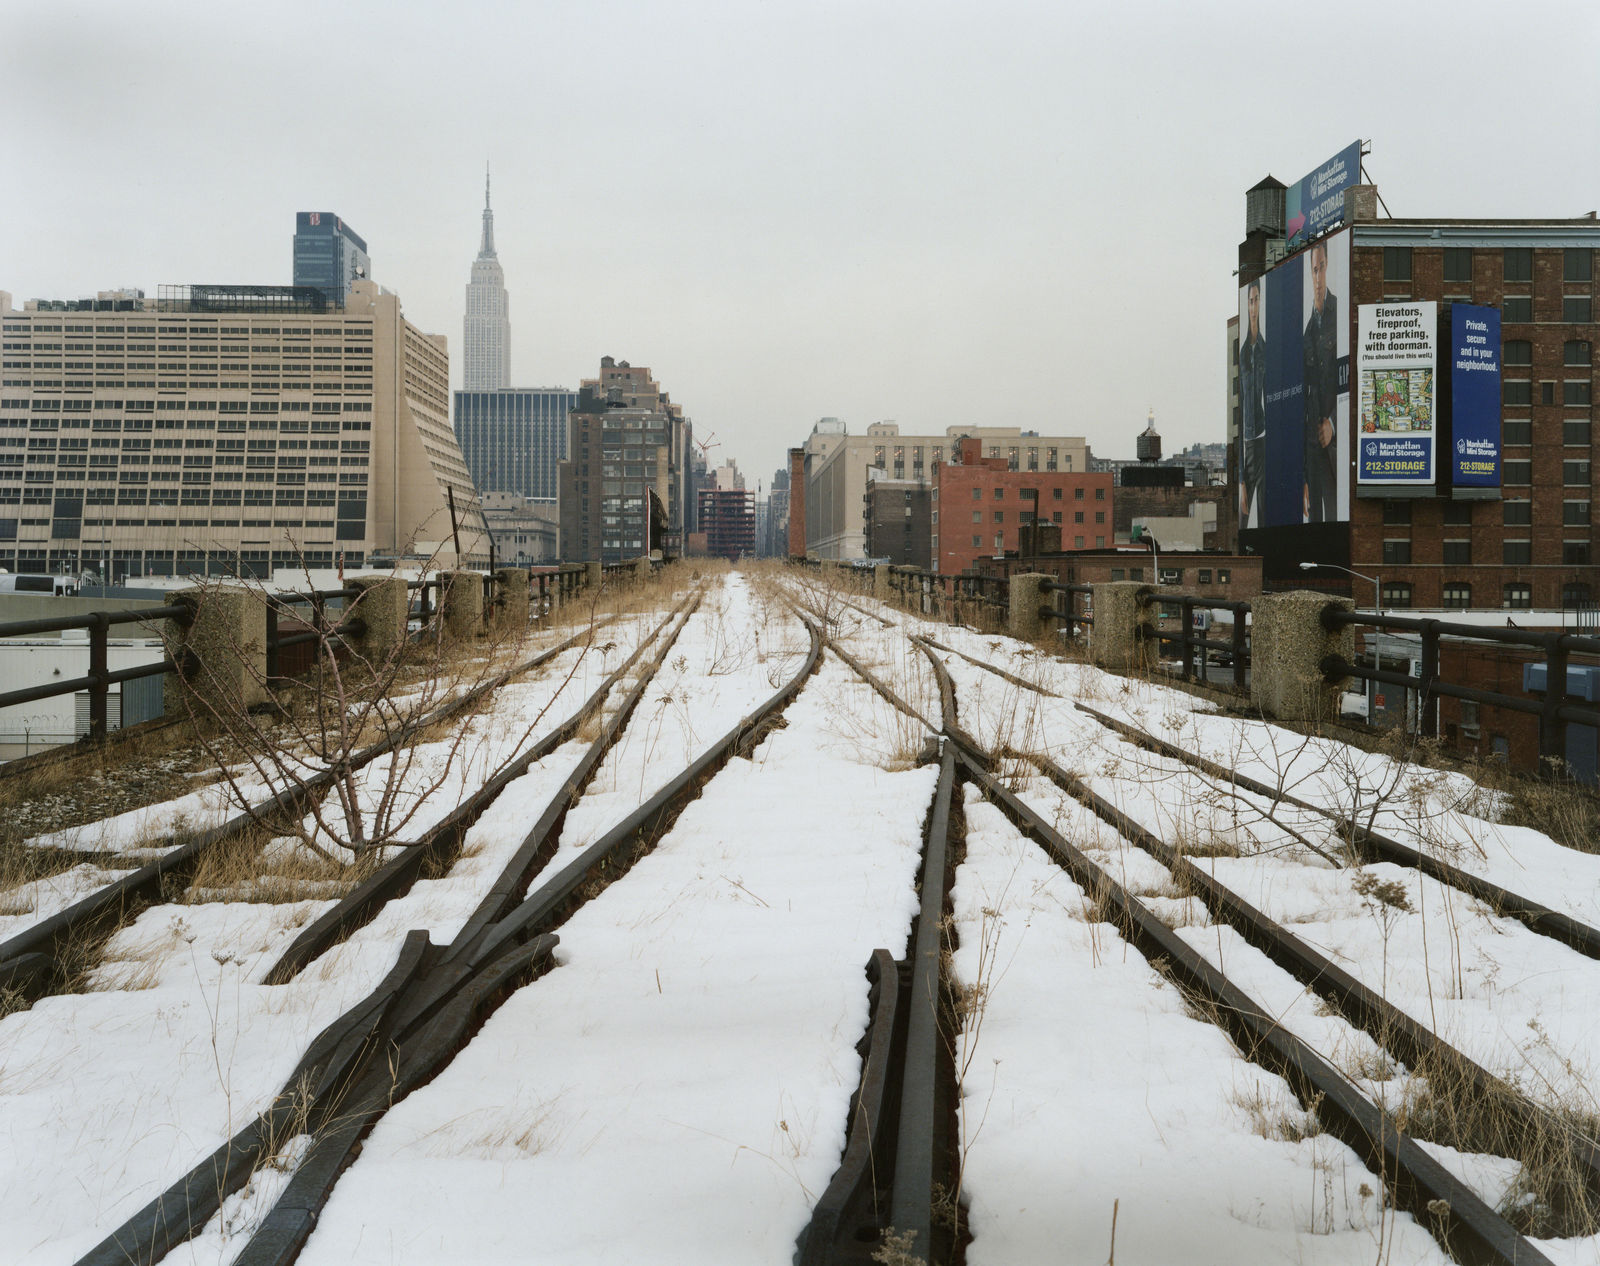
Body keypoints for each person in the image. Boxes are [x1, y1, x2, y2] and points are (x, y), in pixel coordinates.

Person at [1303, 240, 1339, 522]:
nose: (1318, 277)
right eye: (1314, 270)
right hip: (1312, 449)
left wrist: (1333, 423)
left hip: (1337, 447)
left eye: (1322, 268)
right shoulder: (1305, 332)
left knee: (1337, 519)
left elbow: (1352, 376)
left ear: (1328, 268)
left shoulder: (1340, 312)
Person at [1239, 279, 1267, 527]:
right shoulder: (1243, 353)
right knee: (1242, 519)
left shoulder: (1265, 349)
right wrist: (1240, 480)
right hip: (1247, 445)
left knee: (1265, 519)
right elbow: (1238, 420)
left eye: (1257, 299)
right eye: (1250, 300)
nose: (1254, 305)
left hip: (1264, 441)